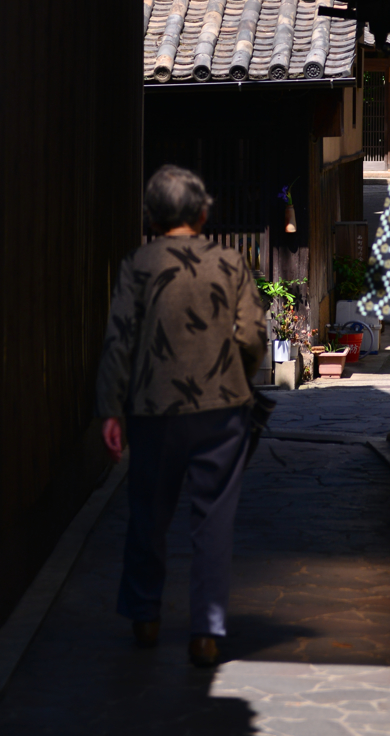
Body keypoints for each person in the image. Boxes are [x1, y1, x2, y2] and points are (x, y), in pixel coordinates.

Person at [96, 165, 267, 667]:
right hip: (222, 409)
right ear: (202, 212)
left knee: (148, 512)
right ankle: (205, 632)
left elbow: (119, 341)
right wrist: (239, 375)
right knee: (213, 519)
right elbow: (253, 335)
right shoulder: (231, 261)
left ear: (151, 217)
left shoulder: (138, 263)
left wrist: (110, 409)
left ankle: (145, 617)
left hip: (152, 410)